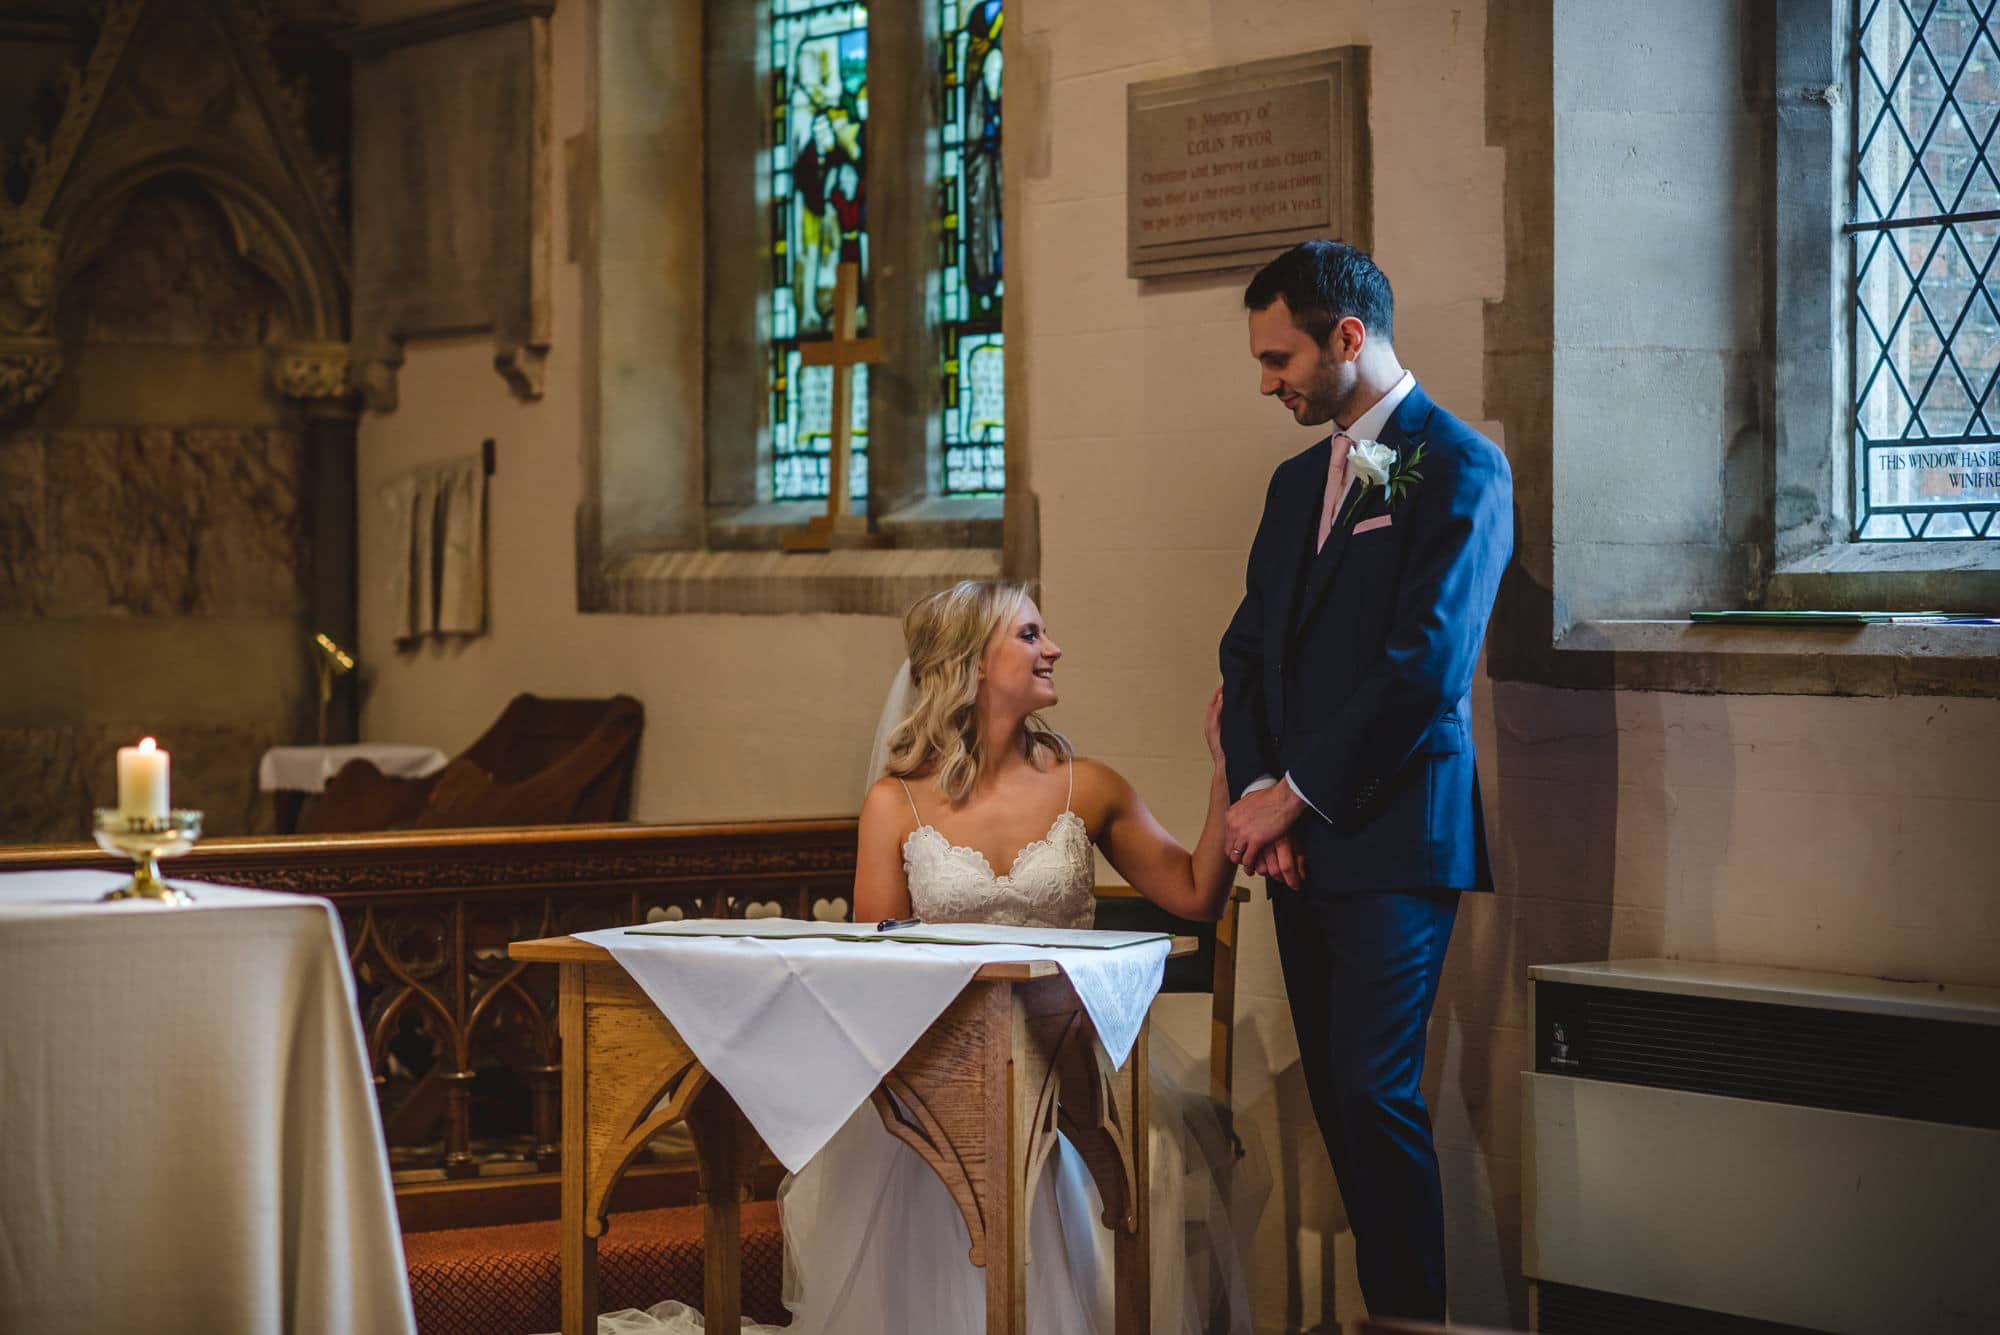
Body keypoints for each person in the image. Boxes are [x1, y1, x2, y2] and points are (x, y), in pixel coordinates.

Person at [601, 579, 1261, 1335]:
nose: (1053, 649)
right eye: (1030, 635)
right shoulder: (896, 803)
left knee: (1114, 1154)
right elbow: (877, 964)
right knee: (926, 1153)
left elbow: (1198, 892)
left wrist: (1226, 771)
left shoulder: (1092, 786)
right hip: (941, 1078)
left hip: (1073, 1068)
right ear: (972, 665)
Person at [1218, 239, 1512, 1321]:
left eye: (1278, 356)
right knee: (1339, 1109)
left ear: (1348, 336)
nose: (1267, 383)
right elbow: (1247, 654)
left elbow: (1422, 664)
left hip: (1393, 833)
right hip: (1297, 842)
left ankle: (1410, 1318)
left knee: (1371, 1091)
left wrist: (1294, 793)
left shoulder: (1455, 464)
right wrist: (1264, 802)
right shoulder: (1305, 480)